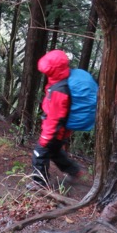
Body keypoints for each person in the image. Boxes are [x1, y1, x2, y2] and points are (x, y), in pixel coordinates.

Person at [30, 49, 82, 189]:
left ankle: (39, 183)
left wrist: (46, 137)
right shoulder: (61, 82)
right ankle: (75, 171)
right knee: (55, 152)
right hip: (61, 131)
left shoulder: (60, 89)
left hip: (55, 131)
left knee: (39, 155)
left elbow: (55, 117)